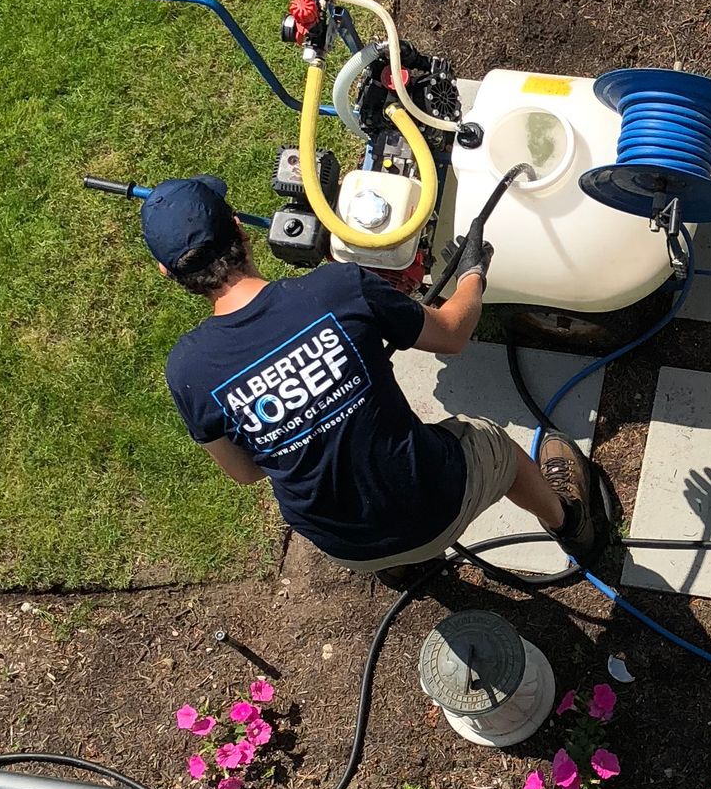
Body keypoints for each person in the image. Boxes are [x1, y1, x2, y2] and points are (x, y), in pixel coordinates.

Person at [145, 175, 595, 572]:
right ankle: (569, 521)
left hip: (345, 548)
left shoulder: (188, 370)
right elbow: (453, 335)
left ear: (168, 273)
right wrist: (471, 275)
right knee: (502, 449)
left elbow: (246, 474)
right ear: (241, 231)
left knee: (373, 524)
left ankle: (400, 568)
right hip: (436, 505)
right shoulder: (336, 288)